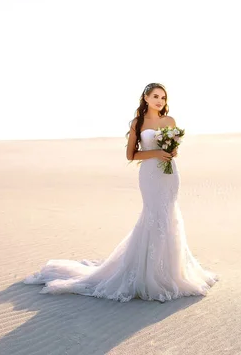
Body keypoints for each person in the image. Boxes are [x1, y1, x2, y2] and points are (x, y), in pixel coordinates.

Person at [24, 83, 218, 302]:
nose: (159, 101)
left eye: (163, 98)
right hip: (150, 175)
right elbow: (131, 155)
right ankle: (147, 274)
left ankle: (170, 273)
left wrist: (171, 151)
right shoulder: (138, 122)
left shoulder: (170, 121)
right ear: (145, 97)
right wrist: (156, 152)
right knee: (153, 216)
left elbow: (174, 149)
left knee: (170, 216)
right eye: (155, 96)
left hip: (169, 174)